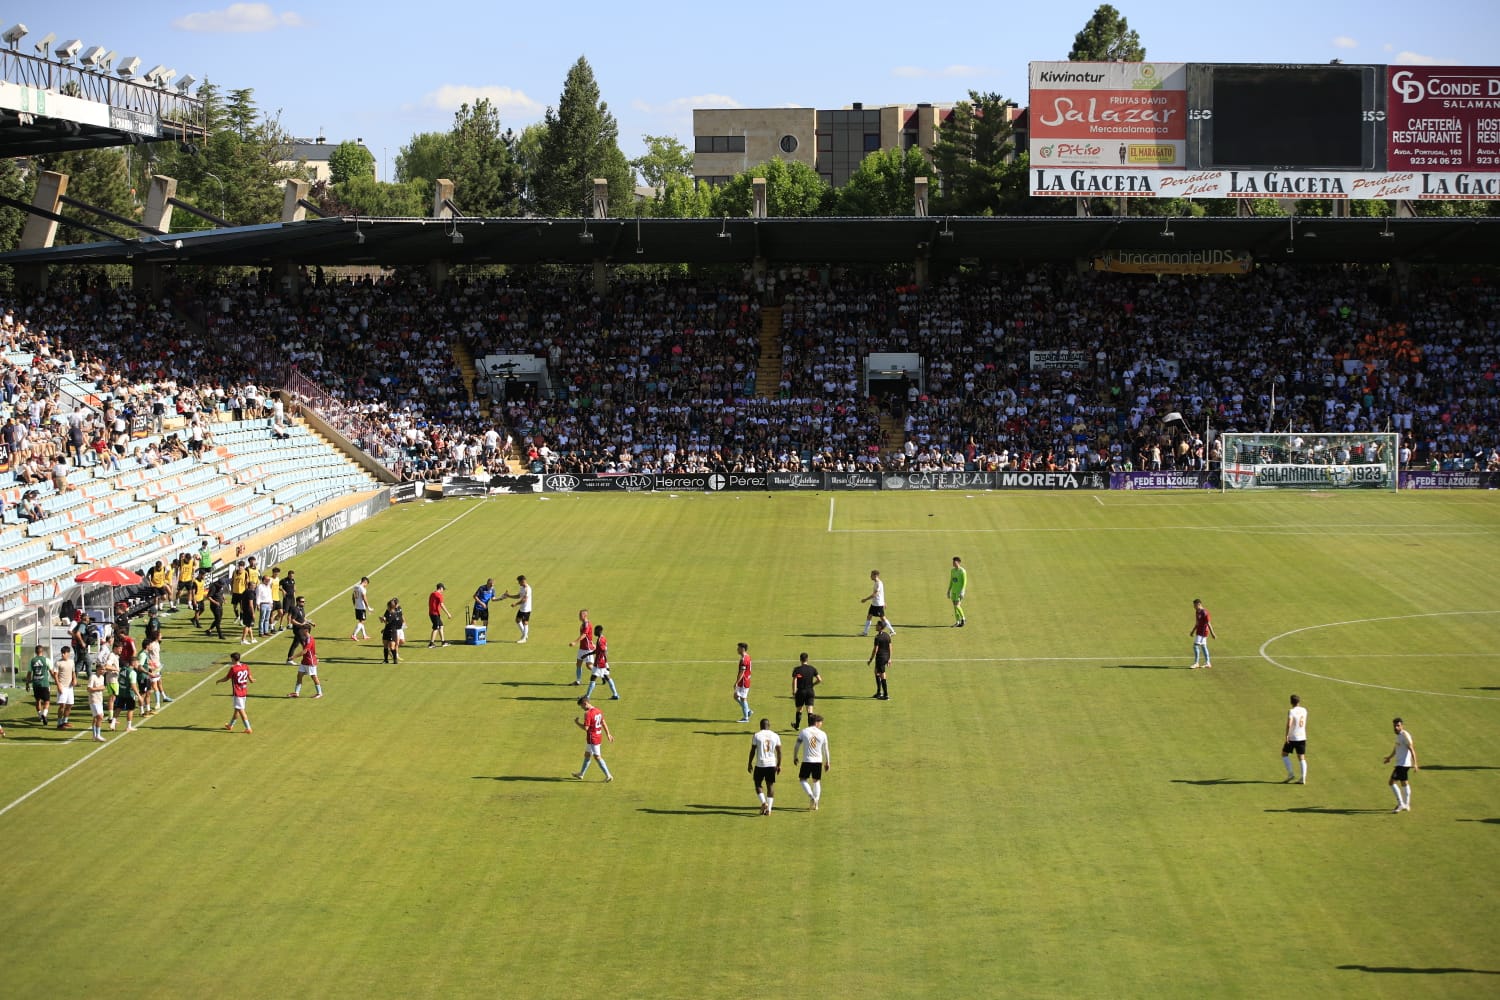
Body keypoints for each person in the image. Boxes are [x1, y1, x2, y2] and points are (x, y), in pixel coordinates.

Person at [571, 695, 614, 782]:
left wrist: (577, 723)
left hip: (592, 737)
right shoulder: (598, 710)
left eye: (582, 706)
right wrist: (608, 734)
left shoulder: (588, 713)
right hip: (598, 736)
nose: (582, 708)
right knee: (587, 754)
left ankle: (608, 775)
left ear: (585, 703)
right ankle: (581, 774)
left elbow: (586, 728)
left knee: (597, 757)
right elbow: (603, 722)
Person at [793, 714, 830, 811]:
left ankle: (811, 796)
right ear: (816, 723)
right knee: (816, 781)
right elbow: (826, 749)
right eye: (821, 722)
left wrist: (795, 756)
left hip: (807, 760)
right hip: (818, 761)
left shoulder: (804, 732)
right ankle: (816, 802)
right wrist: (827, 762)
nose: (821, 724)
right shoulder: (823, 734)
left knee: (802, 779)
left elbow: (797, 745)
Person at [748, 718, 783, 815]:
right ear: (769, 725)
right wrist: (779, 765)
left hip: (760, 764)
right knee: (770, 785)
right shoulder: (775, 736)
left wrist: (749, 763)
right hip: (771, 764)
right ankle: (769, 809)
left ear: (760, 726)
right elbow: (779, 752)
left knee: (758, 783)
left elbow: (753, 750)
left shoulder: (757, 735)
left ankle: (764, 802)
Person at [1384, 717, 1418, 813]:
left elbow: (1412, 749)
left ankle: (1401, 804)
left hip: (1402, 765)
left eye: (1398, 725)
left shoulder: (1404, 735)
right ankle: (1406, 804)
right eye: (1394, 726)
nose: (1396, 727)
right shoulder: (1399, 735)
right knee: (1404, 783)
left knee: (1391, 782)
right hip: (1402, 764)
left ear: (1402, 726)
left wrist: (1415, 763)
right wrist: (1390, 757)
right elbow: (1396, 748)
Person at [217, 652, 254, 733]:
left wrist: (219, 680)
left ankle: (248, 728)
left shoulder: (233, 668)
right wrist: (253, 680)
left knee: (241, 710)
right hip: (244, 691)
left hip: (237, 692)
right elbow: (250, 678)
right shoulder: (245, 666)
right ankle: (230, 725)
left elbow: (226, 678)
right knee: (237, 709)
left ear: (233, 659)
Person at [584, 624, 618, 700]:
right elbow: (598, 651)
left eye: (595, 631)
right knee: (607, 678)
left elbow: (604, 651)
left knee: (593, 678)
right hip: (602, 663)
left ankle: (587, 696)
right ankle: (615, 695)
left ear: (599, 631)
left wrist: (606, 664)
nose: (594, 632)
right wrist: (588, 654)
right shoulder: (603, 638)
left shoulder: (600, 641)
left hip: (599, 663)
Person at [288, 631, 323, 699]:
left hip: (310, 661)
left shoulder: (309, 640)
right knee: (299, 675)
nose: (301, 631)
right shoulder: (306, 638)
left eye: (302, 630)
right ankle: (296, 693)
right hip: (304, 661)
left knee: (314, 677)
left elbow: (305, 651)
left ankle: (319, 693)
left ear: (306, 631)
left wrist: (293, 657)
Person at [1282, 694, 1308, 784]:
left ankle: (1290, 774)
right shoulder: (1304, 710)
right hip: (1302, 737)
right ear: (1299, 701)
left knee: (1284, 754)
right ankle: (1303, 778)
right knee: (1302, 758)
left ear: (1291, 702)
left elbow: (1289, 724)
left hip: (1293, 737)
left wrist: (1286, 736)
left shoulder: (1291, 711)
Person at [860, 569, 894, 636]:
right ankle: (865, 632)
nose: (870, 576)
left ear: (875, 575)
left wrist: (865, 599)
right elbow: (882, 593)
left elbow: (875, 594)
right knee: (869, 616)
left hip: (878, 605)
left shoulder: (879, 583)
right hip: (874, 604)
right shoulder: (877, 583)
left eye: (871, 575)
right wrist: (884, 601)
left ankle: (892, 631)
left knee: (883, 618)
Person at [791, 652, 821, 730]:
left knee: (799, 709)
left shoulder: (797, 669)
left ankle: (797, 726)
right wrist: (813, 684)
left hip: (800, 692)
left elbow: (794, 680)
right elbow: (819, 680)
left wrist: (794, 692)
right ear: (807, 659)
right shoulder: (812, 668)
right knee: (810, 710)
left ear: (800, 660)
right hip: (810, 691)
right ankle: (810, 728)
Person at [51, 647, 76, 730]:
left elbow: (73, 672)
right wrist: (58, 686)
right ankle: (59, 723)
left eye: (64, 653)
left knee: (70, 705)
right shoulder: (58, 663)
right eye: (62, 653)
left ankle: (65, 721)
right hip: (62, 686)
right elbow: (55, 675)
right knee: (62, 705)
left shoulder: (71, 662)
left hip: (70, 687)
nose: (62, 654)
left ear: (68, 653)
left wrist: (74, 680)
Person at [27, 644, 53, 726]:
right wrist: (56, 680)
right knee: (47, 701)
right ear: (42, 651)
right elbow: (52, 672)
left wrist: (27, 684)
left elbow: (29, 673)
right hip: (44, 683)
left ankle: (40, 716)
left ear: (35, 652)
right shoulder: (46, 660)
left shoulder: (32, 660)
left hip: (35, 684)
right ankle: (44, 714)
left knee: (37, 700)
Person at [568, 608, 594, 685]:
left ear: (584, 615)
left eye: (580, 615)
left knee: (589, 666)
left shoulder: (587, 624)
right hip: (582, 648)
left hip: (587, 648)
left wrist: (575, 642)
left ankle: (603, 675)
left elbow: (584, 635)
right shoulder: (583, 624)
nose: (579, 616)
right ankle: (578, 681)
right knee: (578, 663)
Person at [867, 619, 892, 700]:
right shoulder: (887, 635)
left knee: (882, 674)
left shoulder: (877, 637)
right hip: (886, 657)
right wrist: (889, 658)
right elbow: (890, 647)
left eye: (877, 625)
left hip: (880, 658)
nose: (875, 626)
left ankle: (886, 695)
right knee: (876, 672)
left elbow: (875, 650)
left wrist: (871, 659)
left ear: (880, 627)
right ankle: (878, 692)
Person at [284, 597, 313, 664]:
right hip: (298, 630)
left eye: (304, 601)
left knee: (295, 645)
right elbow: (292, 620)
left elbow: (303, 618)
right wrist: (300, 624)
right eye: (302, 601)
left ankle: (289, 659)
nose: (303, 603)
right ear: (297, 602)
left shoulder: (302, 609)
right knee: (305, 645)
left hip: (302, 629)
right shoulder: (295, 609)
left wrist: (311, 623)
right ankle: (307, 660)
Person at [1189, 598, 1216, 668]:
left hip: (1203, 632)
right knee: (1203, 646)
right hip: (1199, 631)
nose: (1194, 607)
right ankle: (1208, 663)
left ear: (1199, 604)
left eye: (1195, 605)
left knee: (1195, 645)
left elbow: (1208, 623)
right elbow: (1197, 623)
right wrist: (1192, 631)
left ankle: (1196, 663)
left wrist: (1212, 633)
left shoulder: (1205, 612)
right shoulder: (1197, 612)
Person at [506, 574, 532, 644]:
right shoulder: (522, 588)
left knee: (525, 623)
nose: (518, 583)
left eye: (519, 582)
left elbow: (524, 600)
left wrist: (516, 604)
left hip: (526, 609)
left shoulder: (527, 589)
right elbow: (518, 596)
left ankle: (524, 638)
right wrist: (509, 596)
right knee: (517, 620)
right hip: (522, 608)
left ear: (522, 581)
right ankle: (525, 635)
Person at [86, 657, 107, 742]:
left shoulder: (102, 677)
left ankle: (94, 736)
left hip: (100, 700)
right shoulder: (93, 677)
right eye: (102, 669)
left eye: (104, 669)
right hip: (93, 700)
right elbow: (89, 689)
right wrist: (98, 688)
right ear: (98, 669)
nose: (104, 671)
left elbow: (103, 687)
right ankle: (98, 735)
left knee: (95, 717)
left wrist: (101, 688)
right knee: (100, 717)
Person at [427, 583, 451, 647]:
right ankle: (431, 643)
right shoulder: (439, 595)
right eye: (443, 589)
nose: (443, 591)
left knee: (441, 626)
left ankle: (443, 642)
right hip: (435, 614)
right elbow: (442, 605)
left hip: (432, 613)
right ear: (440, 588)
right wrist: (448, 613)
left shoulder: (432, 594)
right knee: (435, 628)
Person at [733, 642, 753, 723]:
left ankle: (746, 718)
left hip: (744, 681)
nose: (737, 649)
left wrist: (736, 682)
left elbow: (742, 672)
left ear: (742, 649)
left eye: (739, 648)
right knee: (735, 696)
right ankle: (748, 710)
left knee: (743, 698)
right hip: (745, 680)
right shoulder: (747, 657)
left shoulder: (744, 659)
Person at [381, 598, 404, 664]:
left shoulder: (393, 614)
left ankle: (395, 659)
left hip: (392, 632)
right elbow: (384, 620)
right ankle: (386, 660)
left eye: (388, 606)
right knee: (385, 645)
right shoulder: (387, 611)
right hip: (386, 630)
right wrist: (382, 619)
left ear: (390, 607)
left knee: (392, 647)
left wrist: (383, 619)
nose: (387, 607)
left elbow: (387, 622)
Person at [948, 555, 968, 627]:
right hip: (953, 591)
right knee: (954, 606)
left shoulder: (962, 571)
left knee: (957, 605)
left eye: (954, 562)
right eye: (953, 562)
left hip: (959, 591)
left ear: (958, 562)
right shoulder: (952, 570)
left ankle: (963, 618)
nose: (953, 563)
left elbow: (964, 582)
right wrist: (949, 590)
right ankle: (958, 622)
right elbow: (951, 581)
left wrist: (962, 591)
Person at [206, 575, 227, 640]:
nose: (222, 586)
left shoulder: (221, 587)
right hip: (214, 606)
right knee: (218, 620)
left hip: (220, 605)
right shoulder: (213, 587)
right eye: (222, 585)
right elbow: (208, 596)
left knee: (219, 619)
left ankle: (209, 630)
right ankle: (220, 634)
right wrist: (215, 602)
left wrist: (224, 599)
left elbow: (222, 593)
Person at [351, 576, 370, 641]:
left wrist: (354, 604)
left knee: (361, 621)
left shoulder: (355, 586)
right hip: (361, 607)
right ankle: (354, 635)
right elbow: (364, 598)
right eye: (367, 584)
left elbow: (353, 596)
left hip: (357, 606)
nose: (366, 585)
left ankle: (364, 635)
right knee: (362, 622)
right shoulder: (362, 589)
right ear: (365, 582)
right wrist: (368, 607)